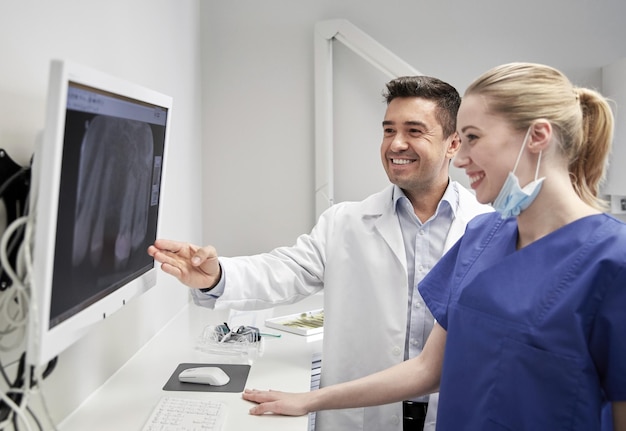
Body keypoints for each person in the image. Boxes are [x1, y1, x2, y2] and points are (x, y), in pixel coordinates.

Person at [241, 62, 626, 431]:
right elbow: (429, 368)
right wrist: (310, 400)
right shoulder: (482, 237)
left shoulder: (613, 261)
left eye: (473, 137)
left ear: (538, 137)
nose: (459, 158)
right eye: (388, 130)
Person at [148, 76, 492, 431]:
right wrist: (218, 275)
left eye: (414, 131)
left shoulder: (488, 228)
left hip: (454, 413)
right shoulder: (346, 222)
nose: (396, 144)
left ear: (453, 144)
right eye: (388, 130)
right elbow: (286, 270)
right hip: (360, 417)